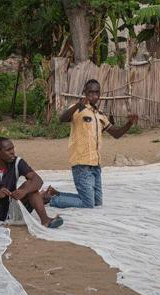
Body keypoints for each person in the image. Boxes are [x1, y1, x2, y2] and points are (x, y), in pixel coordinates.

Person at [49, 79, 137, 209]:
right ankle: (52, 199)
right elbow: (62, 118)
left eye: (97, 93)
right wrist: (78, 105)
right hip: (81, 164)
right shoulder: (78, 110)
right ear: (85, 92)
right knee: (87, 203)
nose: (94, 96)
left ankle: (55, 194)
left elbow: (116, 134)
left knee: (97, 202)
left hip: (96, 165)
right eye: (91, 92)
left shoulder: (100, 115)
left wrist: (129, 123)